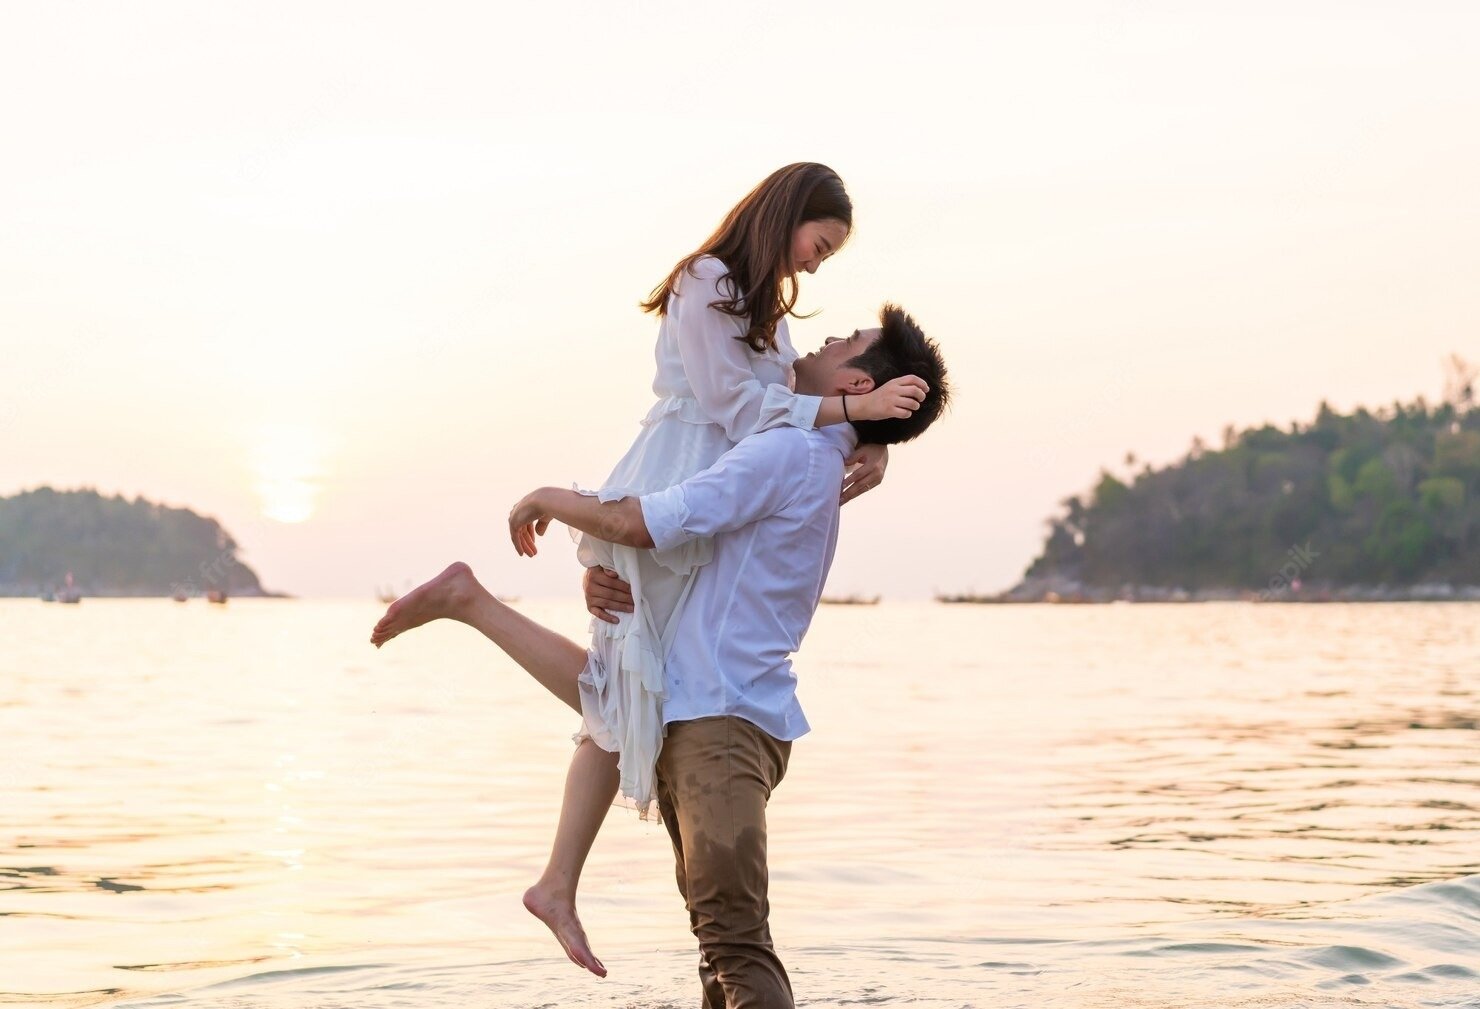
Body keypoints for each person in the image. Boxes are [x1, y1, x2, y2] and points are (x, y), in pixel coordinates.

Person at [378, 163, 927, 974]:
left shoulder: (770, 318)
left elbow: (784, 406)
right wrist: (857, 413)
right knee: (626, 681)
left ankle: (556, 878)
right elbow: (740, 411)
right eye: (820, 244)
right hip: (679, 483)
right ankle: (472, 611)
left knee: (633, 681)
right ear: (786, 216)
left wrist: (872, 439)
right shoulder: (705, 281)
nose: (816, 265)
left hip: (711, 500)